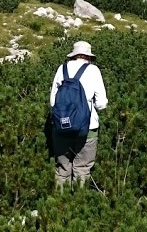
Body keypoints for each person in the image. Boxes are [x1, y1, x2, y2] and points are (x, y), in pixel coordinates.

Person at [49, 40, 108, 189]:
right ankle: (79, 199)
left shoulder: (62, 69)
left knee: (62, 169)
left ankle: (60, 200)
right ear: (88, 56)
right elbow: (101, 104)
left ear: (73, 55)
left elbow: (52, 101)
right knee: (82, 169)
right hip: (87, 128)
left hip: (61, 127)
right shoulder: (93, 70)